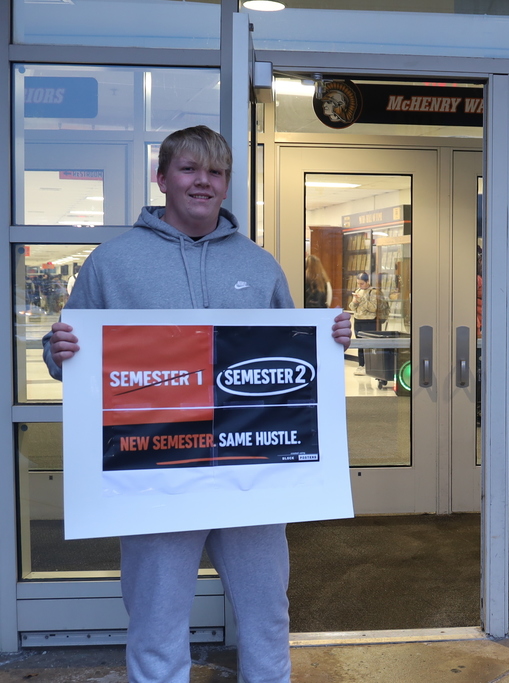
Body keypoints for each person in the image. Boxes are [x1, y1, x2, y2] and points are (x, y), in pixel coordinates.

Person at [41, 125, 353, 683]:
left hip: (248, 473)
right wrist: (59, 350)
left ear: (227, 184)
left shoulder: (259, 266)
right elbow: (66, 351)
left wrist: (329, 342)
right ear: (162, 178)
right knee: (156, 622)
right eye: (189, 169)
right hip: (154, 474)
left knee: (266, 618)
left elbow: (291, 355)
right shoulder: (111, 264)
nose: (203, 182)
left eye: (216, 172)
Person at [348, 271, 382, 376]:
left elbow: (373, 308)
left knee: (369, 344)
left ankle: (371, 365)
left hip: (369, 321)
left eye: (362, 283)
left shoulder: (373, 292)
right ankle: (361, 365)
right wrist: (355, 301)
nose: (360, 286)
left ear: (367, 282)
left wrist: (362, 300)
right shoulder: (358, 290)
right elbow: (351, 307)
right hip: (358, 319)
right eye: (358, 283)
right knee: (360, 344)